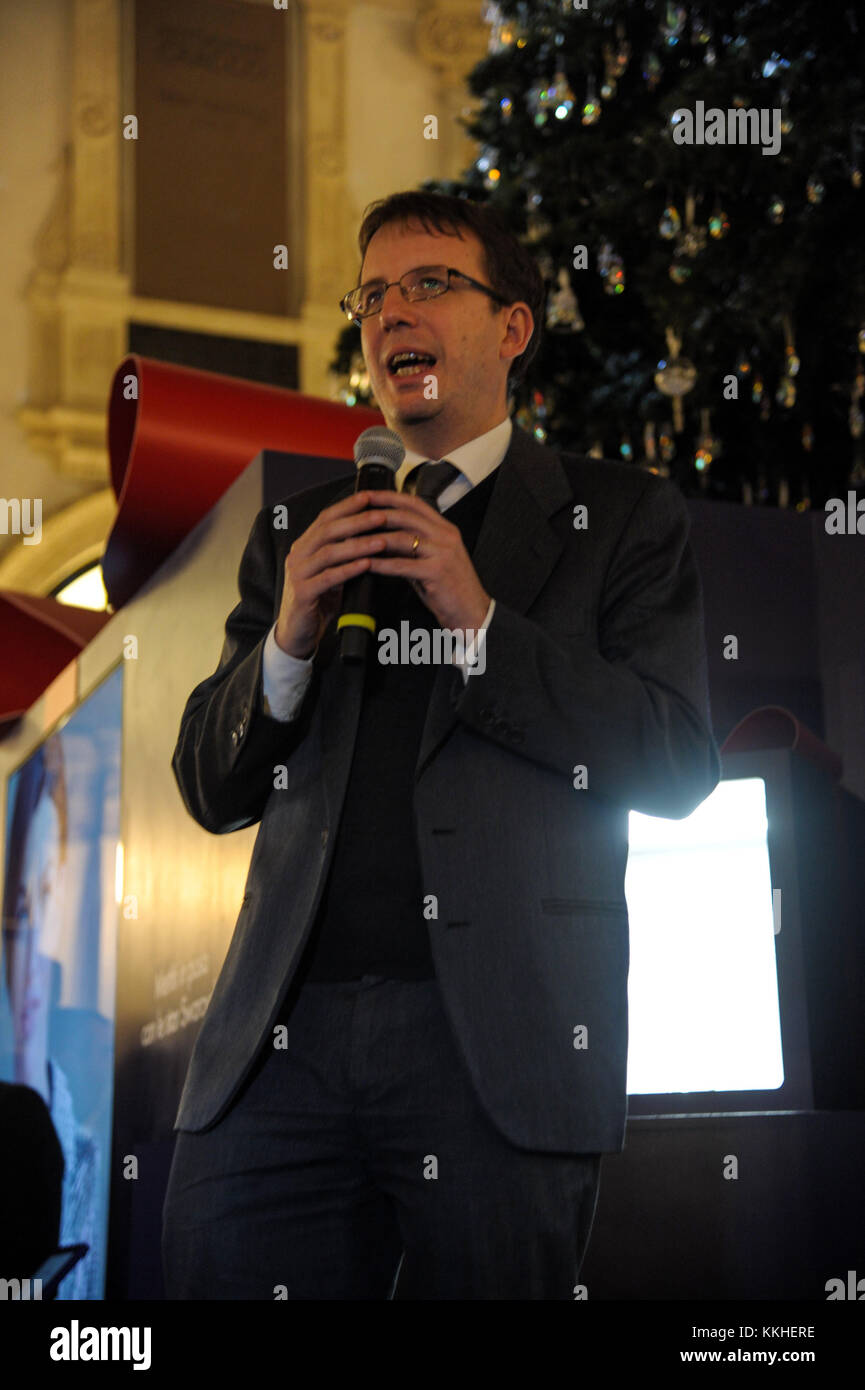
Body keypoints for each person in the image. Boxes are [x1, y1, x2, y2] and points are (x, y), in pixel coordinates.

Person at [162, 190, 721, 1300]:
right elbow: (211, 785)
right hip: (280, 1044)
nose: (389, 313)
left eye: (428, 284)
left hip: (497, 1045)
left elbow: (674, 765)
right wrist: (288, 637)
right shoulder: (303, 534)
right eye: (372, 296)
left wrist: (477, 619)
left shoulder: (614, 518)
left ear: (512, 326)